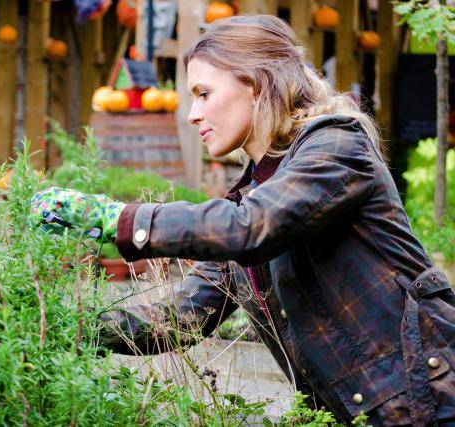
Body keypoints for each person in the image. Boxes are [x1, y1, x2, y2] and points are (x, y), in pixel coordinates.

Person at [29, 15, 455, 426]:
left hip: (431, 402)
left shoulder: (337, 145)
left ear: (256, 85)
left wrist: (116, 219)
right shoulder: (252, 198)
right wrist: (67, 326)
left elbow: (251, 227)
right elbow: (183, 316)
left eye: (203, 93)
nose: (193, 114)